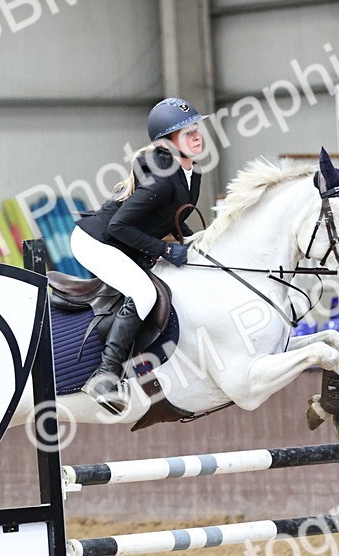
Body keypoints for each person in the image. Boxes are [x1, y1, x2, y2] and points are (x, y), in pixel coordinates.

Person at [71, 97, 205, 414]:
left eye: (196, 128)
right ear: (168, 141)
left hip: (122, 241)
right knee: (143, 293)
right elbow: (119, 225)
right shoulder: (162, 178)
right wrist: (164, 249)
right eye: (186, 131)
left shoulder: (189, 172)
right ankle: (105, 376)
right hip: (96, 241)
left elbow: (172, 220)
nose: (197, 135)